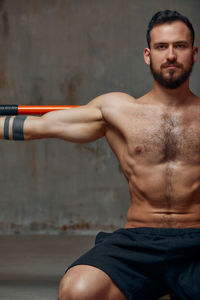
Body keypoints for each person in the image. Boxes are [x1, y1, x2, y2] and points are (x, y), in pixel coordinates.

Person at [0, 9, 199, 300]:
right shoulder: (118, 111)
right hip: (138, 242)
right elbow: (38, 125)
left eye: (179, 46)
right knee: (77, 290)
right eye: (161, 47)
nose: (170, 55)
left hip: (196, 240)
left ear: (194, 54)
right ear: (148, 55)